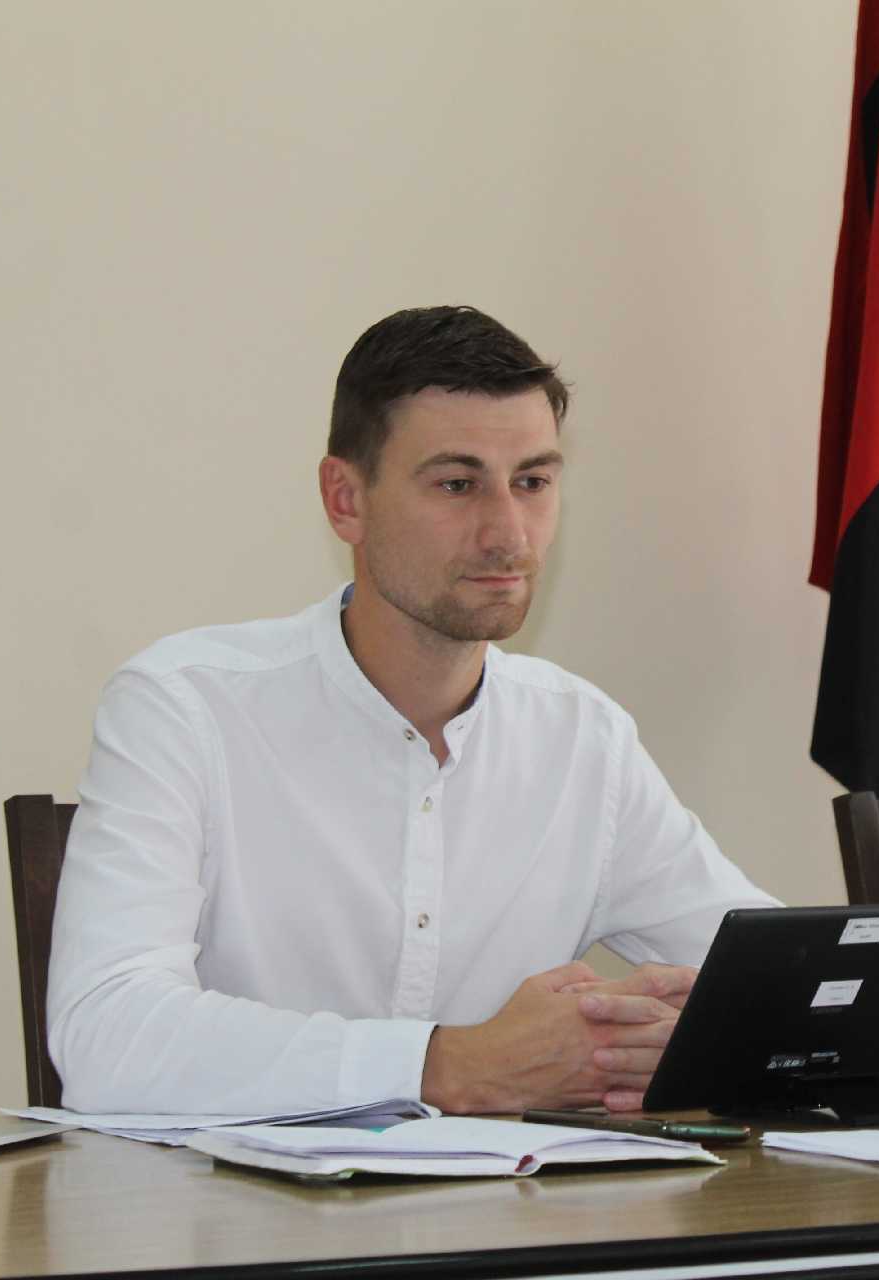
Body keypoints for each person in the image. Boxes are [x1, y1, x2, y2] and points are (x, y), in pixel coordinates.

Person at [47, 305, 777, 1115]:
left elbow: (791, 979)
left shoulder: (582, 736)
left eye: (533, 482)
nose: (509, 535)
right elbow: (106, 1035)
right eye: (458, 485)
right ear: (345, 499)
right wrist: (448, 1065)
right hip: (226, 1197)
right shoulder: (184, 707)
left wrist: (686, 1039)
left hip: (511, 1196)